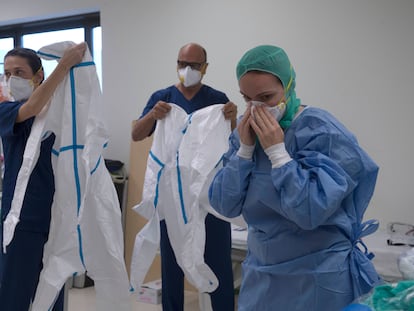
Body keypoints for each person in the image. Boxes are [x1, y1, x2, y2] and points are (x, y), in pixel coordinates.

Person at [208, 45, 382, 311]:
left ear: (289, 86)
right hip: (262, 274)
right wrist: (244, 152)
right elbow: (224, 204)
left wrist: (279, 154)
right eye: (247, 98)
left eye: (266, 97)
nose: (257, 108)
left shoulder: (321, 131)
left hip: (317, 275)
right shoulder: (245, 134)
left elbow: (311, 211)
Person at [132, 42, 237, 310]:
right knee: (172, 265)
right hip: (172, 196)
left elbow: (233, 140)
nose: (187, 70)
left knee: (219, 263)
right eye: (182, 64)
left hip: (207, 196)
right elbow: (137, 134)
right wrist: (153, 116)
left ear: (205, 68)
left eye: (193, 65)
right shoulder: (163, 97)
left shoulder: (217, 99)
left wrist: (232, 118)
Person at [0, 42, 86, 311]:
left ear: (38, 76)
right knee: (14, 294)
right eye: (7, 73)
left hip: (56, 216)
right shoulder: (8, 111)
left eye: (19, 72)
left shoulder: (57, 115)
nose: (12, 79)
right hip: (21, 220)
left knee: (51, 291)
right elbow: (31, 109)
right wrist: (64, 65)